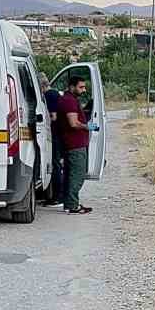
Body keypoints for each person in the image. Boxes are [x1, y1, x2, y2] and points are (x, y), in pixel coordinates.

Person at [56, 74, 93, 214]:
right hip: (75, 145)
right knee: (77, 174)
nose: (83, 90)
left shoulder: (68, 99)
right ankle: (72, 205)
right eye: (81, 87)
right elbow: (73, 123)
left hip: (71, 143)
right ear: (72, 87)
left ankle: (69, 203)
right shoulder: (69, 101)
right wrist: (87, 127)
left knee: (70, 174)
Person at [41, 76, 66, 207]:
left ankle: (57, 197)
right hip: (60, 133)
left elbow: (53, 116)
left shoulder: (49, 95)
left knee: (55, 165)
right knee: (57, 164)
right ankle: (58, 195)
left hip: (55, 134)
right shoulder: (56, 93)